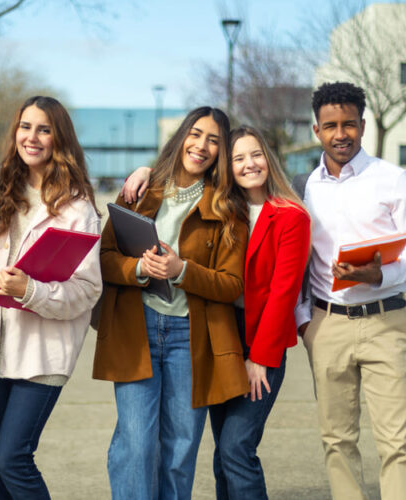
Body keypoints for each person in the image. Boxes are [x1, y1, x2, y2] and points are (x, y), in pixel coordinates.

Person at [120, 125, 312, 499]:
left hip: (262, 342)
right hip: (220, 335)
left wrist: (260, 357)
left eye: (255, 155)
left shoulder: (291, 216)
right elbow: (183, 172)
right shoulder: (226, 207)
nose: (249, 164)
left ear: (268, 159)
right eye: (238, 159)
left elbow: (283, 294)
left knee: (237, 448)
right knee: (222, 452)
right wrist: (145, 171)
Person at [93, 107, 249, 500]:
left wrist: (181, 270)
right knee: (136, 445)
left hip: (190, 338)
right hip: (136, 329)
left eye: (214, 140)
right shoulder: (141, 191)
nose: (202, 146)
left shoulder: (228, 208)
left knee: (180, 449)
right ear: (182, 136)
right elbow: (106, 257)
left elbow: (231, 285)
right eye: (196, 134)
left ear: (222, 152)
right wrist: (139, 270)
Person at [295, 82, 406, 500]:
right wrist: (305, 322)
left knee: (397, 443)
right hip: (327, 325)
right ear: (316, 129)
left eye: (350, 125)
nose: (341, 134)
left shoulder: (393, 180)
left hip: (385, 322)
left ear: (363, 125)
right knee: (337, 440)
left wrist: (380, 275)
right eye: (331, 125)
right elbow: (299, 259)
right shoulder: (305, 187)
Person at [0, 95, 101, 499]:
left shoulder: (78, 208)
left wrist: (28, 290)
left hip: (43, 352)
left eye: (44, 129)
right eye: (25, 127)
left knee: (14, 458)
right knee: (1, 460)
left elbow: (87, 290)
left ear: (58, 138)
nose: (32, 137)